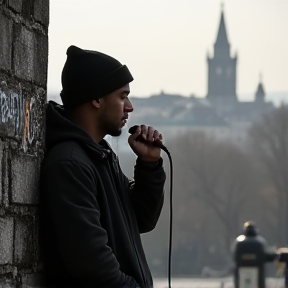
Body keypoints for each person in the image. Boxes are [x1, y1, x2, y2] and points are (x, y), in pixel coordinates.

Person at [39, 45, 166, 288]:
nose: (129, 106)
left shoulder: (100, 156)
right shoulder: (70, 163)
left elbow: (141, 220)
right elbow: (92, 263)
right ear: (96, 99)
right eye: (122, 96)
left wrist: (149, 166)